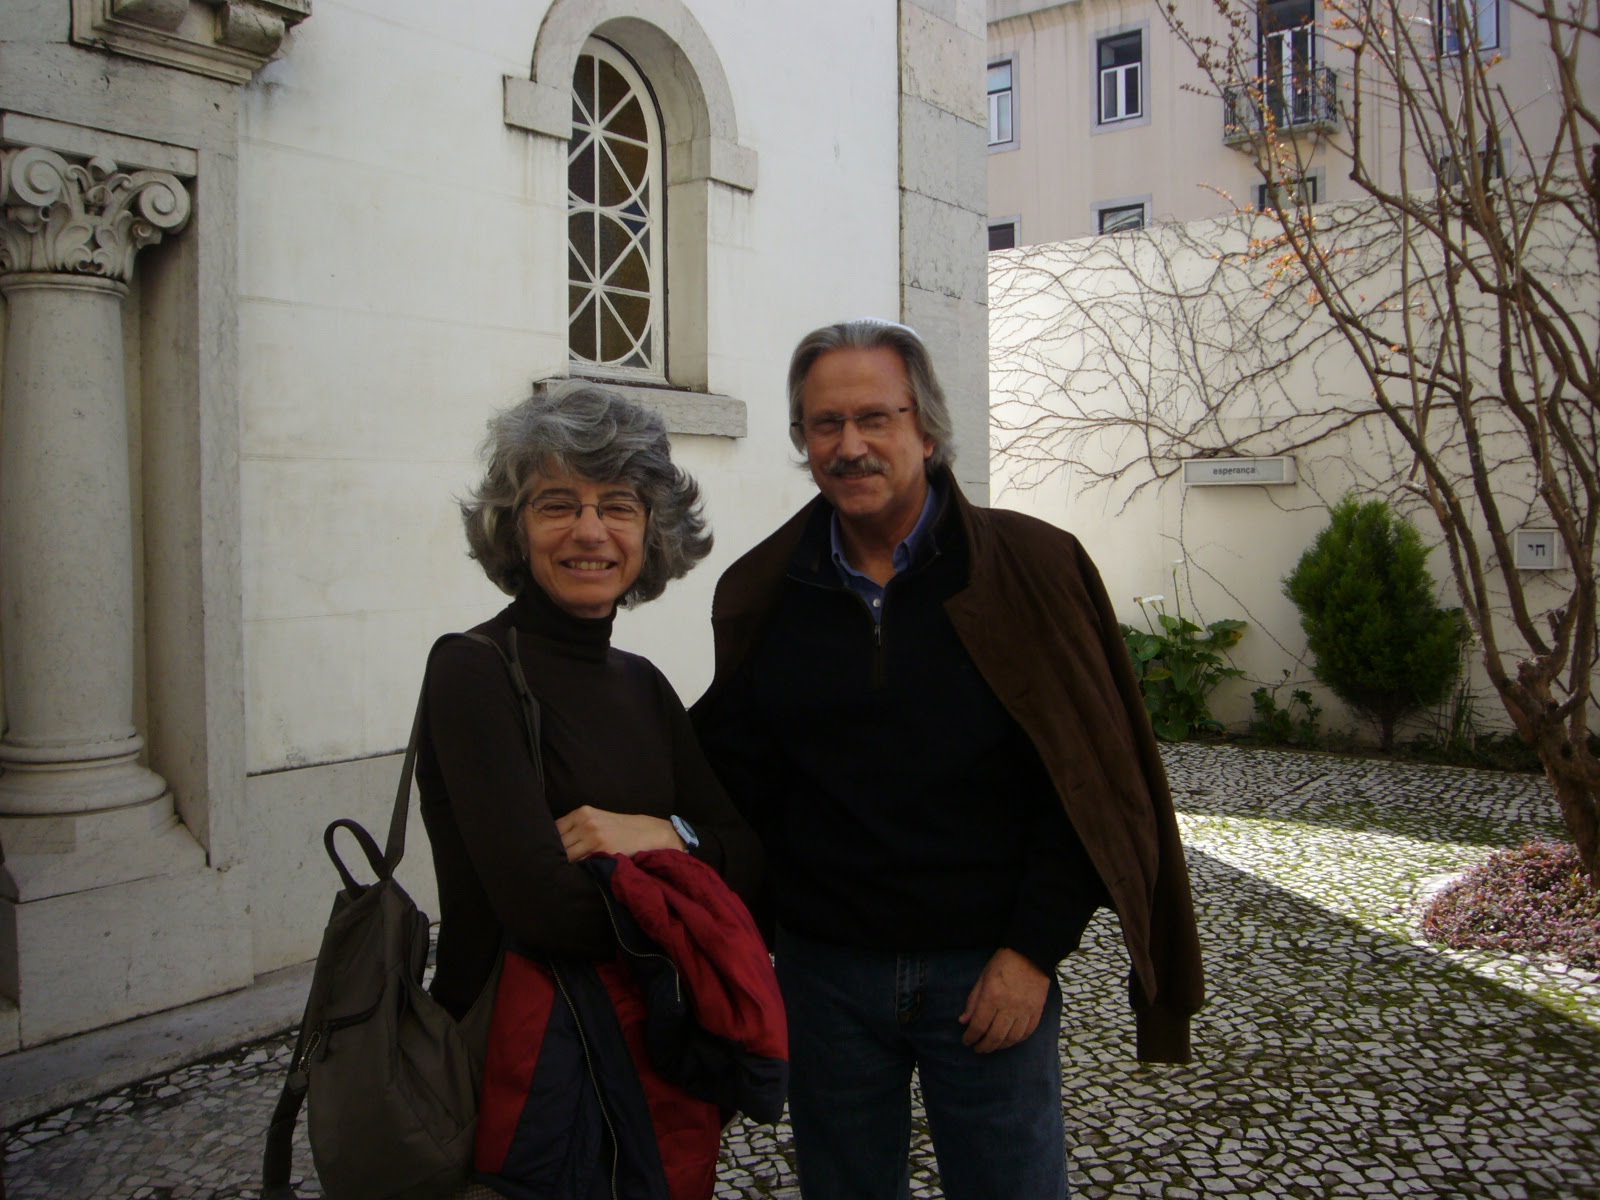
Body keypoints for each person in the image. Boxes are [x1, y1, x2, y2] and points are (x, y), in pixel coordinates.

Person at [692, 318, 1204, 1200]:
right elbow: (735, 779)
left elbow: (1089, 780)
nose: (849, 445)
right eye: (824, 424)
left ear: (927, 430)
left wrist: (1033, 951)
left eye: (875, 418)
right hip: (827, 977)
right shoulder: (769, 587)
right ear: (803, 440)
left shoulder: (1027, 570)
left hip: (987, 972)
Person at [419, 385, 774, 1200]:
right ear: (514, 527)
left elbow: (748, 858)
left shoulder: (642, 684)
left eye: (618, 506)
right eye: (557, 505)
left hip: (654, 1060)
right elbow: (544, 909)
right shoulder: (472, 671)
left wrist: (666, 835)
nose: (589, 531)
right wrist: (696, 898)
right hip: (525, 1068)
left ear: (652, 530)